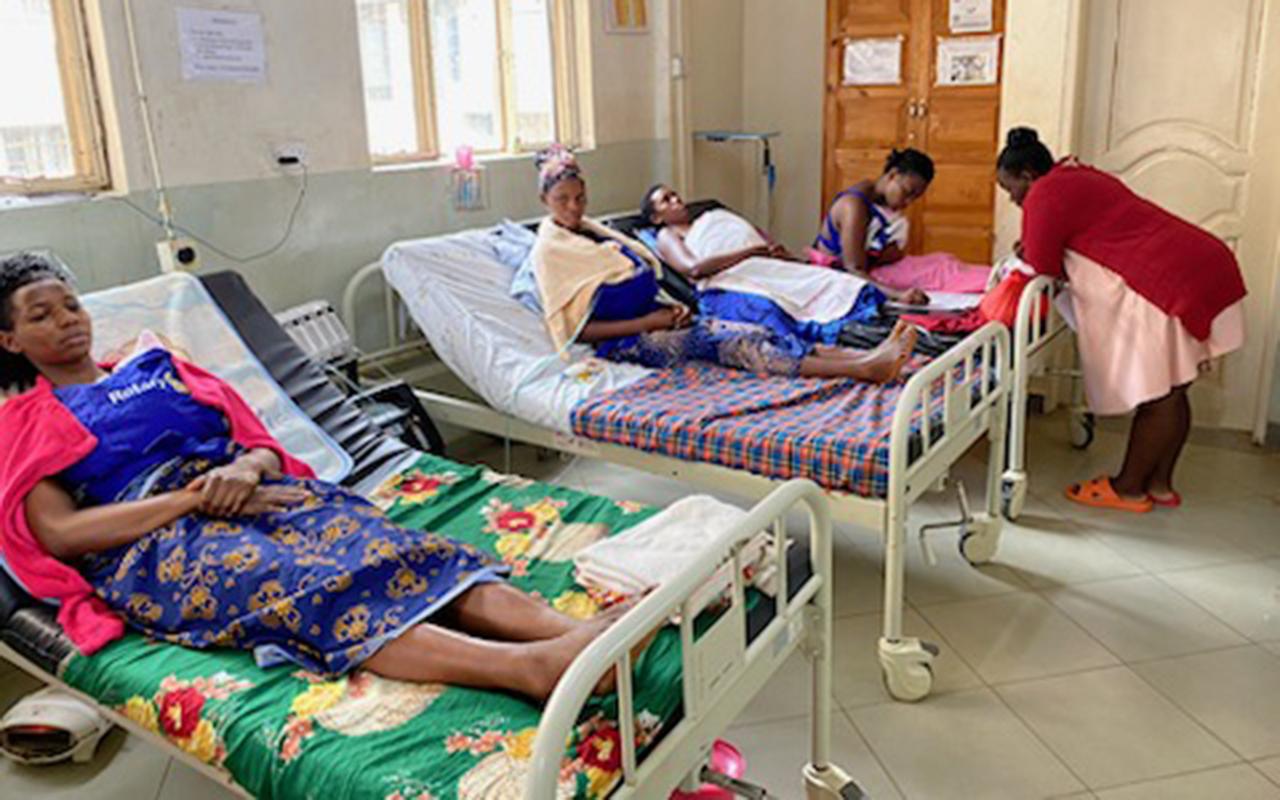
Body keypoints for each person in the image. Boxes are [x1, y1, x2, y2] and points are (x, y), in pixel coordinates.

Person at [0, 253, 631, 702]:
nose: (67, 320)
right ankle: (527, 668)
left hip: (250, 491)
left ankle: (569, 633)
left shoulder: (160, 368)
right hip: (157, 544)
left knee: (392, 547)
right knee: (315, 585)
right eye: (40, 315)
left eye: (71, 305)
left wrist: (245, 469)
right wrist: (192, 500)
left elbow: (259, 444)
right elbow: (62, 534)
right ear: (9, 340)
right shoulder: (26, 422)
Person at [996, 127, 1247, 512]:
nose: (1013, 199)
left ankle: (1128, 488)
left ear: (1028, 175)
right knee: (1177, 387)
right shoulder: (1077, 173)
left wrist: (1028, 248)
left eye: (1011, 189)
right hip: (1200, 262)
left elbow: (1043, 264)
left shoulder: (1044, 193)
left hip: (1167, 279)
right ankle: (1159, 485)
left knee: (1159, 395)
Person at [529, 146, 917, 383]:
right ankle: (863, 369)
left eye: (580, 197)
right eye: (563, 199)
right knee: (741, 344)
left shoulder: (597, 233)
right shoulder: (552, 252)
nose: (574, 207)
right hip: (627, 343)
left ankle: (869, 357)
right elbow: (576, 330)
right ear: (544, 200)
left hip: (660, 322)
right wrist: (649, 322)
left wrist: (670, 311)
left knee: (760, 332)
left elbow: (646, 282)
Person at [640, 184, 886, 350]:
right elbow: (694, 269)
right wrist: (750, 252)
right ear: (656, 218)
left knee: (832, 279)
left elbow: (751, 241)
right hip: (725, 279)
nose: (676, 200)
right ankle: (863, 338)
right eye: (666, 200)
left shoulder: (713, 219)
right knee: (775, 306)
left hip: (759, 265)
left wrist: (779, 256)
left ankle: (887, 321)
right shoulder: (667, 235)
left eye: (674, 194)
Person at [812, 149, 992, 301]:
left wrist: (890, 253)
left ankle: (998, 277)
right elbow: (854, 270)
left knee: (944, 261)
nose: (908, 202)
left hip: (876, 269)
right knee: (940, 273)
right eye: (907, 193)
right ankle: (997, 282)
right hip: (845, 276)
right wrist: (898, 295)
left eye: (914, 198)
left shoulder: (878, 201)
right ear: (893, 175)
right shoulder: (853, 207)